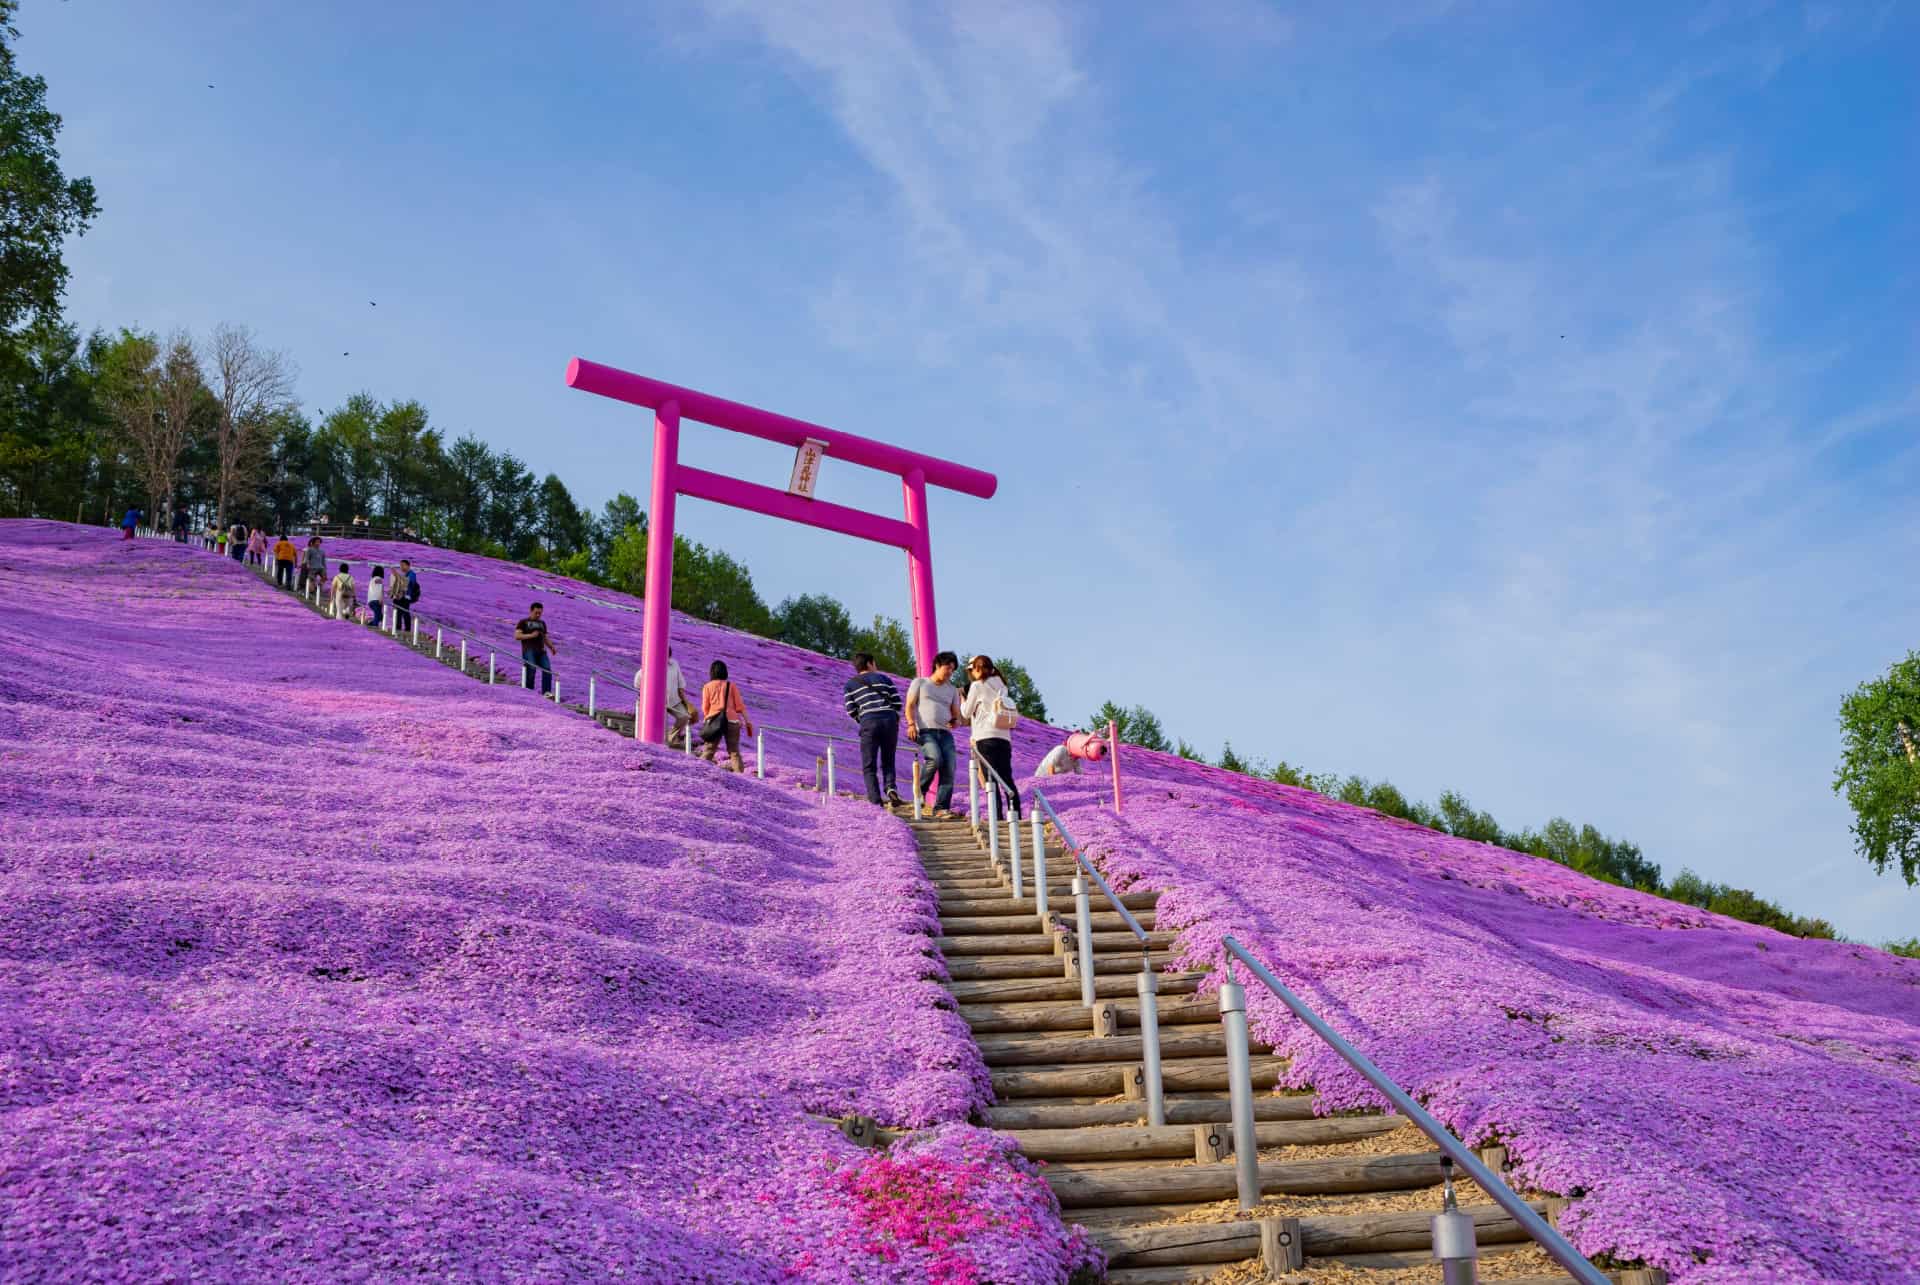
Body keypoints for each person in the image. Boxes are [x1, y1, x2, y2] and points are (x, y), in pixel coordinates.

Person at [905, 651, 965, 818]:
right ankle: (919, 794)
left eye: (953, 669)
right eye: (947, 667)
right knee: (935, 758)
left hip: (945, 733)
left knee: (949, 767)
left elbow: (956, 714)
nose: (950, 672)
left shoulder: (952, 690)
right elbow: (909, 705)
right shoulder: (920, 683)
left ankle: (941, 808)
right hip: (925, 731)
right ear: (938, 665)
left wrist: (955, 720)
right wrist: (911, 724)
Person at [961, 654, 1021, 819]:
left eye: (973, 670)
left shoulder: (977, 686)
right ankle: (1015, 814)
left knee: (990, 780)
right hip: (1004, 738)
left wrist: (962, 700)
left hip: (985, 738)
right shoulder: (1002, 686)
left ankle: (997, 818)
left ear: (977, 669)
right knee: (1006, 778)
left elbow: (966, 712)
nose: (972, 673)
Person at [843, 651, 905, 807]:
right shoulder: (884, 679)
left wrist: (863, 718)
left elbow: (851, 710)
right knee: (888, 760)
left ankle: (876, 801)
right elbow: (897, 703)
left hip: (869, 723)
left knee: (869, 765)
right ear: (870, 663)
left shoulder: (850, 685)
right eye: (875, 663)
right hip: (889, 721)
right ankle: (891, 788)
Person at [697, 660, 754, 771]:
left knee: (709, 750)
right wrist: (747, 721)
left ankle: (698, 772)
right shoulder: (731, 686)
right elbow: (740, 706)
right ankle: (741, 779)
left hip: (714, 721)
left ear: (712, 672)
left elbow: (705, 707)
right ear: (725, 672)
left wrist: (708, 718)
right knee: (734, 752)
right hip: (732, 721)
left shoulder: (707, 686)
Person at [636, 645, 694, 747]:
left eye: (668, 656)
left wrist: (686, 702)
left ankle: (671, 737)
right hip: (657, 702)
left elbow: (681, 684)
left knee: (684, 717)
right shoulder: (650, 664)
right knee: (661, 723)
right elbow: (637, 682)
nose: (667, 659)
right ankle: (662, 742)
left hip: (674, 700)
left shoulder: (674, 664)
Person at [515, 602, 556, 694]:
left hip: (541, 651)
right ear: (531, 611)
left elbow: (545, 638)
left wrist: (551, 647)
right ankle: (529, 691)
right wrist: (531, 635)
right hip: (529, 650)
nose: (538, 615)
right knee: (532, 668)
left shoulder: (542, 623)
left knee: (547, 669)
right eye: (536, 612)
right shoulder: (523, 622)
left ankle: (546, 692)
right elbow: (517, 636)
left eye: (540, 613)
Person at [393, 558, 419, 635]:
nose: (401, 567)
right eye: (400, 566)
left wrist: (397, 576)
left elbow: (408, 583)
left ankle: (406, 629)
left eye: (402, 565)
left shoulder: (412, 574)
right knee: (400, 612)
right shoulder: (406, 575)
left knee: (404, 612)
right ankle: (399, 628)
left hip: (406, 597)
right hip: (402, 596)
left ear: (408, 566)